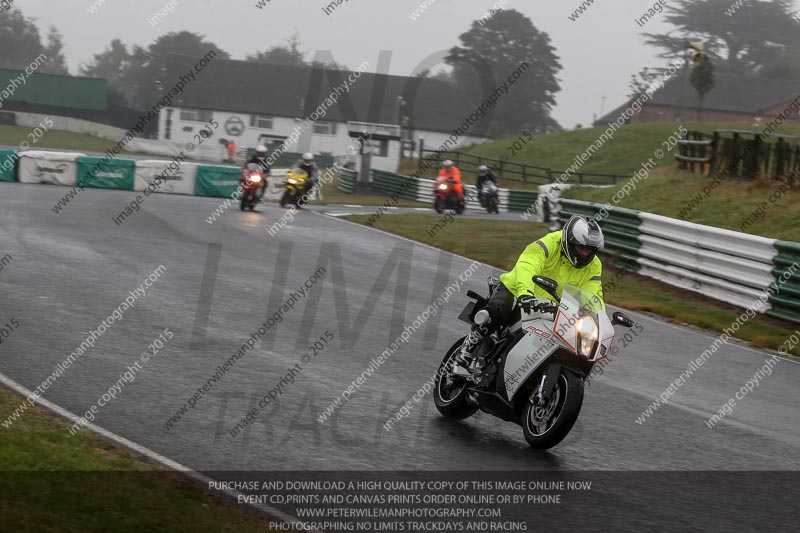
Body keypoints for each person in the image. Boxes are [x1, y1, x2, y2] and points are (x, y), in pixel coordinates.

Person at [454, 215, 605, 372]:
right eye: (580, 247)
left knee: (574, 341)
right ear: (568, 241)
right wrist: (525, 294)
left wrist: (597, 319)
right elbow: (527, 265)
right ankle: (470, 346)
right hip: (519, 290)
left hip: (553, 306)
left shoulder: (594, 265)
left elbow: (594, 294)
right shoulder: (550, 243)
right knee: (497, 312)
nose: (584, 253)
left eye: (589, 250)